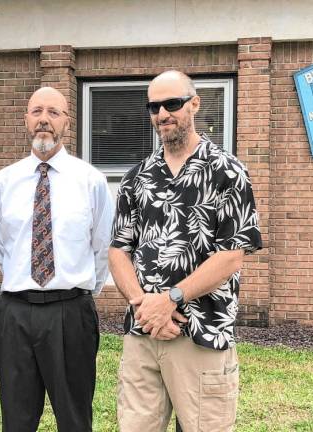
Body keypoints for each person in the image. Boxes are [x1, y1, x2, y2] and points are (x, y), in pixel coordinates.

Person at [109, 70, 262, 432]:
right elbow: (118, 250)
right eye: (154, 106)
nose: (162, 114)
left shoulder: (228, 172)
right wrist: (142, 305)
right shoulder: (137, 177)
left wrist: (171, 299)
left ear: (194, 103)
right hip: (144, 334)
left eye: (172, 103)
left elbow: (231, 256)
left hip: (202, 334)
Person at [0, 86, 114, 432]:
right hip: (14, 314)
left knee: (74, 418)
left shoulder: (91, 180)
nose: (44, 119)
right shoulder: (4, 181)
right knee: (16, 419)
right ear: (26, 120)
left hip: (70, 312)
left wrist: (81, 292)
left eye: (53, 113)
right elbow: (3, 245)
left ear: (66, 123)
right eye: (37, 111)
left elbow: (102, 246)